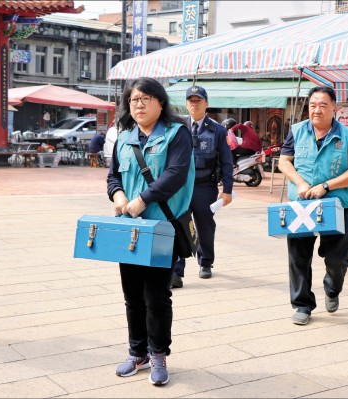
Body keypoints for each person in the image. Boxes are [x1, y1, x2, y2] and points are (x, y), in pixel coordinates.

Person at [107, 77, 194, 386]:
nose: (139, 104)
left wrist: (142, 200)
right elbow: (113, 177)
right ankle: (137, 352)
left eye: (145, 99)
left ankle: (158, 354)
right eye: (133, 100)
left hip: (161, 228)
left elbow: (176, 174)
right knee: (132, 295)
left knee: (156, 295)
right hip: (130, 230)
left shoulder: (177, 133)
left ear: (160, 102)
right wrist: (118, 195)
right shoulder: (125, 138)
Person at [277, 86, 348, 326]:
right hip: (302, 204)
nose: (317, 110)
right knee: (298, 257)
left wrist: (326, 186)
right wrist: (300, 182)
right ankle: (302, 304)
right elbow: (284, 162)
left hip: (335, 205)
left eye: (323, 105)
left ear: (334, 109)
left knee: (338, 258)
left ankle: (332, 288)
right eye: (313, 105)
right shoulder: (296, 131)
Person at [171, 85, 234, 288]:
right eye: (191, 100)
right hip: (180, 186)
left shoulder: (217, 130)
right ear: (186, 104)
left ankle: (205, 262)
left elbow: (226, 161)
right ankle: (176, 270)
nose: (194, 104)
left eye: (198, 100)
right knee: (178, 224)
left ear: (206, 104)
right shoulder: (178, 127)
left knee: (205, 225)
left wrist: (227, 190)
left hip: (204, 186)